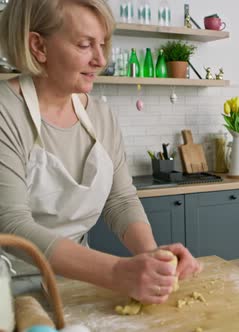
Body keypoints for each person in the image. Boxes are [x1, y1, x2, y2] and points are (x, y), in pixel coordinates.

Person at [0, 0, 199, 304]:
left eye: (103, 45)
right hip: (9, 291)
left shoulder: (101, 116)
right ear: (38, 46)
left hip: (78, 284)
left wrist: (153, 256)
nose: (100, 59)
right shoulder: (5, 112)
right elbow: (11, 224)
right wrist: (117, 272)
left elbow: (120, 200)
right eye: (85, 45)